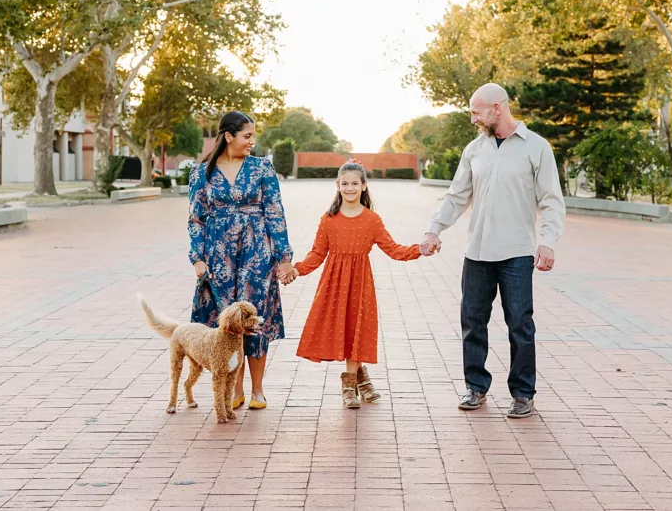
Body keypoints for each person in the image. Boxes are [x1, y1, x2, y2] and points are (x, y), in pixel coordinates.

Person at [420, 83, 566, 418]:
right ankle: (475, 387)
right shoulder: (474, 150)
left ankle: (523, 393)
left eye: (476, 111)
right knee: (472, 321)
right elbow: (457, 196)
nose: (473, 118)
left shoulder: (537, 148)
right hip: (477, 253)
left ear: (496, 109)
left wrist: (548, 241)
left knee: (520, 324)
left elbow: (551, 200)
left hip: (517, 252)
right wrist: (434, 230)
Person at [281, 160, 421, 408]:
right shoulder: (328, 219)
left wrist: (419, 249)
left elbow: (393, 249)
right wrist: (296, 270)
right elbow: (317, 254)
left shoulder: (372, 220)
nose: (349, 188)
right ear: (337, 186)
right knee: (343, 330)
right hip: (334, 284)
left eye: (355, 183)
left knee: (357, 328)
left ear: (364, 186)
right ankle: (362, 381)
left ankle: (349, 387)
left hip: (360, 283)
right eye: (344, 184)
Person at [188, 110, 295, 411]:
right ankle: (234, 389)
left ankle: (257, 390)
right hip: (217, 255)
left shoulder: (262, 168)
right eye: (247, 135)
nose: (252, 141)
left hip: (256, 252)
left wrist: (283, 258)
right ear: (228, 136)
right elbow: (195, 219)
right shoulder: (202, 173)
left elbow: (275, 213)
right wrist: (197, 257)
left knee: (253, 315)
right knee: (227, 321)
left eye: (252, 136)